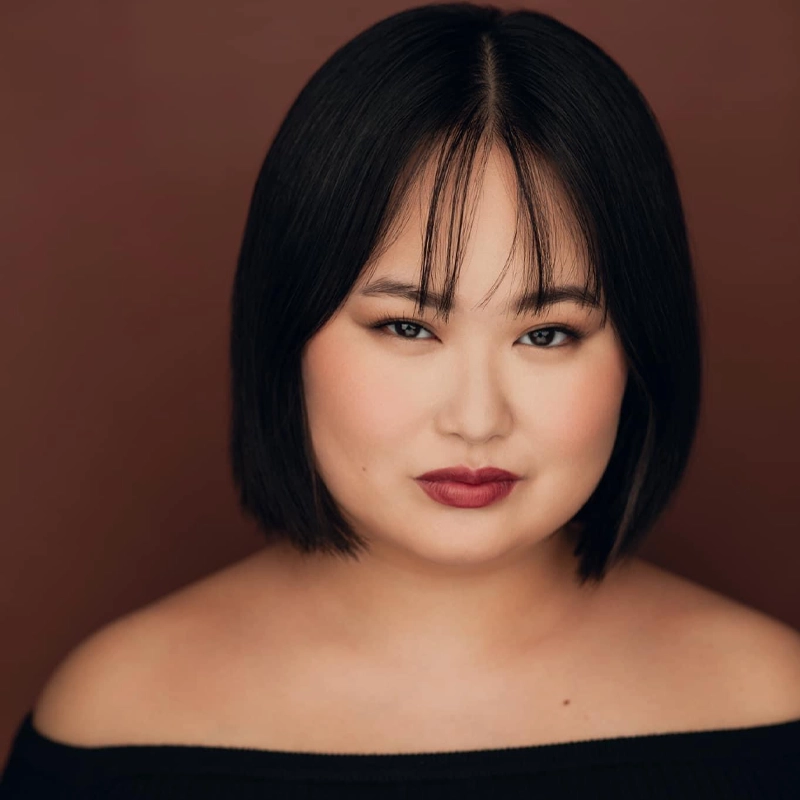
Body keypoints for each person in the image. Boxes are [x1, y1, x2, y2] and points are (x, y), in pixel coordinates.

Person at [1, 2, 798, 797]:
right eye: (408, 327)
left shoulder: (771, 711)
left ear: (640, 352)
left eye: (548, 333)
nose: (478, 419)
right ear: (288, 332)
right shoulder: (116, 722)